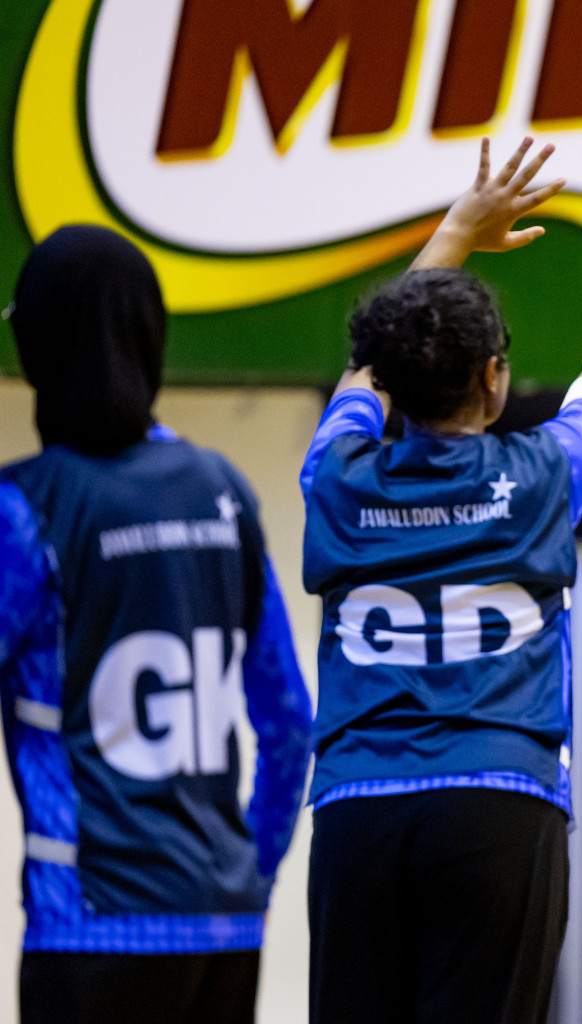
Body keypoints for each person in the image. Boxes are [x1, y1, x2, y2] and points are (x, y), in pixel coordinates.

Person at [300, 136, 582, 1024]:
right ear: (495, 380)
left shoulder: (336, 474)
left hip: (359, 803)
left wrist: (459, 228)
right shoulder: (546, 474)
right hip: (500, 801)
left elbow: (367, 369)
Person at [0, 226, 314, 1024]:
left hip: (89, 927)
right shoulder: (224, 488)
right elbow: (289, 726)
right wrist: (256, 876)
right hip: (226, 926)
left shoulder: (24, 507)